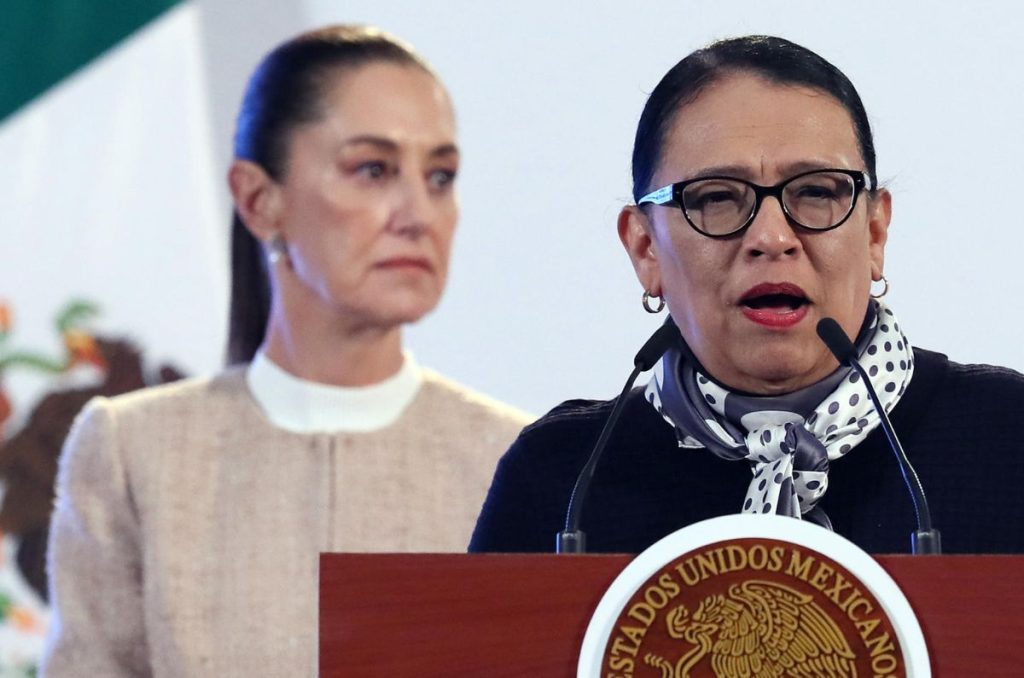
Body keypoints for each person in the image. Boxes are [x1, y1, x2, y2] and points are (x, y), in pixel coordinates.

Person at [43, 25, 532, 675]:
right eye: (373, 169)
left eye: (441, 176)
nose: (418, 212)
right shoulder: (134, 454)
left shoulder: (518, 459)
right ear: (258, 198)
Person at [470, 35, 1024, 556]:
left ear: (875, 232)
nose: (772, 238)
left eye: (815, 192)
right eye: (716, 198)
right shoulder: (565, 479)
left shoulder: (1005, 435)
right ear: (645, 249)